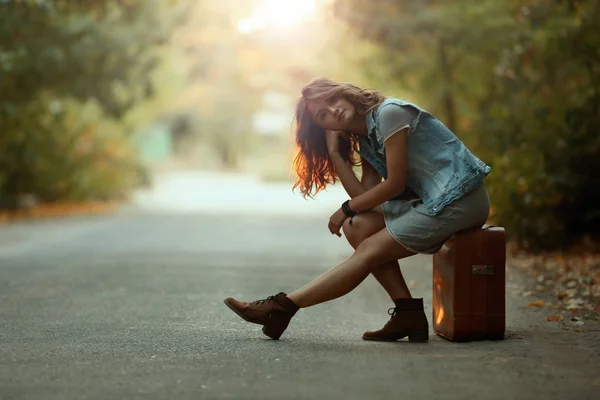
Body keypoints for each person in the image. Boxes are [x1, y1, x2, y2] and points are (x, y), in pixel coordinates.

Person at [223, 77, 491, 342]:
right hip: (433, 202)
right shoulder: (366, 138)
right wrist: (337, 155)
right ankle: (407, 313)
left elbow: (395, 185)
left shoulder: (389, 114)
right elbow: (366, 198)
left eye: (331, 100)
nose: (333, 110)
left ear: (343, 92)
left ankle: (282, 307)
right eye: (323, 114)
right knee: (358, 226)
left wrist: (345, 209)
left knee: (368, 250)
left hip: (460, 199)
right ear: (323, 127)